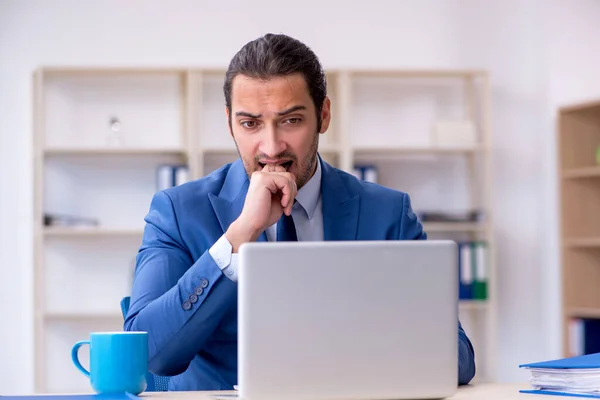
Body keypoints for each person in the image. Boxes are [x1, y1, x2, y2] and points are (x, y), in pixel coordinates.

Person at [124, 33, 476, 391]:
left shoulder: (388, 213)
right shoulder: (178, 212)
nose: (272, 146)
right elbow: (146, 352)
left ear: (323, 115)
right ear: (230, 122)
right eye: (250, 124)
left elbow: (459, 357)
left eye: (291, 121)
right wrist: (238, 236)